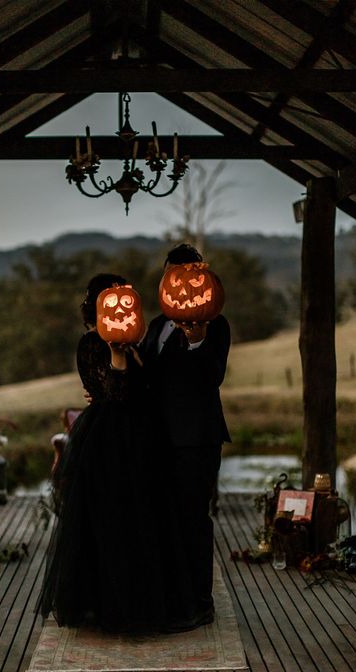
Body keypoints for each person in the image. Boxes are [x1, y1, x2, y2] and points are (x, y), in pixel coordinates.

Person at [38, 273, 196, 634]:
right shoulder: (92, 345)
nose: (124, 309)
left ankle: (153, 604)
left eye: (130, 300)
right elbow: (118, 393)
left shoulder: (137, 345)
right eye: (114, 302)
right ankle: (114, 608)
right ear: (97, 308)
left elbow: (150, 391)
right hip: (108, 443)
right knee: (115, 522)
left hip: (143, 439)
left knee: (147, 519)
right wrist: (117, 355)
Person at [140, 244, 231, 629]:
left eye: (191, 278)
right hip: (156, 440)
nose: (183, 288)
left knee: (194, 519)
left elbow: (211, 379)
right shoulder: (156, 326)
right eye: (174, 278)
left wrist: (196, 342)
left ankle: (199, 601)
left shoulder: (215, 325)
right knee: (163, 520)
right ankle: (170, 597)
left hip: (195, 439)